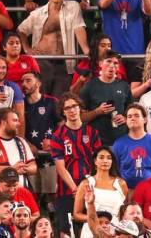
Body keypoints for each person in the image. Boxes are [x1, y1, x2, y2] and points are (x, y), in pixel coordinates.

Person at [18, 0, 90, 97]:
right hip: (42, 62)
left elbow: (79, 27)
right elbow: (21, 30)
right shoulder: (37, 13)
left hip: (64, 62)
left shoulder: (73, 6)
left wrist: (86, 49)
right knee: (40, 98)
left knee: (60, 101)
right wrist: (27, 49)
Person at [50, 93, 102, 237]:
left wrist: (88, 186)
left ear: (80, 108)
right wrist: (75, 189)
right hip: (66, 190)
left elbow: (99, 163)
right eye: (67, 108)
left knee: (92, 228)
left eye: (74, 106)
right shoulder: (58, 135)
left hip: (90, 189)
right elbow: (60, 167)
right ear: (63, 112)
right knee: (66, 233)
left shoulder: (92, 133)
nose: (72, 110)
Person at [73, 146, 128, 238]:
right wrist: (95, 219)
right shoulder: (85, 183)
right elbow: (76, 214)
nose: (105, 161)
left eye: (109, 158)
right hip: (90, 230)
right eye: (101, 157)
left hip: (115, 230)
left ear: (112, 162)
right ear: (95, 161)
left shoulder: (121, 184)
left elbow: (124, 211)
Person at [21, 71, 59, 200]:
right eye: (22, 81)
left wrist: (53, 140)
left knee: (51, 196)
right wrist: (27, 144)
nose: (24, 84)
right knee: (32, 196)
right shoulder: (20, 104)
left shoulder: (51, 102)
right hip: (29, 156)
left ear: (38, 83)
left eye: (28, 80)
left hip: (50, 156)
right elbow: (16, 130)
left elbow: (63, 124)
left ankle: (53, 218)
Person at [79, 53, 132, 146]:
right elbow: (80, 117)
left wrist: (125, 118)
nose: (112, 65)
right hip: (96, 141)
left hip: (121, 140)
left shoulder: (124, 86)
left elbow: (132, 112)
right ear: (100, 64)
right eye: (108, 61)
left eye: (115, 63)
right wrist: (97, 112)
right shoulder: (90, 86)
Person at [0, 108, 37, 190]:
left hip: (21, 195)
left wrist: (24, 168)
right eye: (15, 120)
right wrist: (12, 170)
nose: (19, 124)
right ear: (4, 122)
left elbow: (34, 167)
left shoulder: (21, 141)